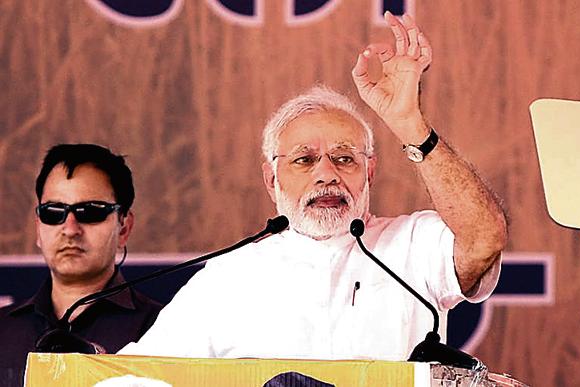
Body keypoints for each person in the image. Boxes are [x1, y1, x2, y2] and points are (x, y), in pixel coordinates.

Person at [119, 12, 507, 360]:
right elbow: (141, 375)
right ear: (272, 180)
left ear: (369, 172)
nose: (326, 174)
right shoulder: (228, 277)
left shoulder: (411, 245)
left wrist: (410, 124)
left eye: (344, 158)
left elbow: (483, 238)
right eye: (304, 160)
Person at [0, 144, 163, 385]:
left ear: (124, 227)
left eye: (90, 212)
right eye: (53, 212)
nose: (70, 229)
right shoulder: (3, 330)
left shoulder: (161, 330)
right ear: (38, 228)